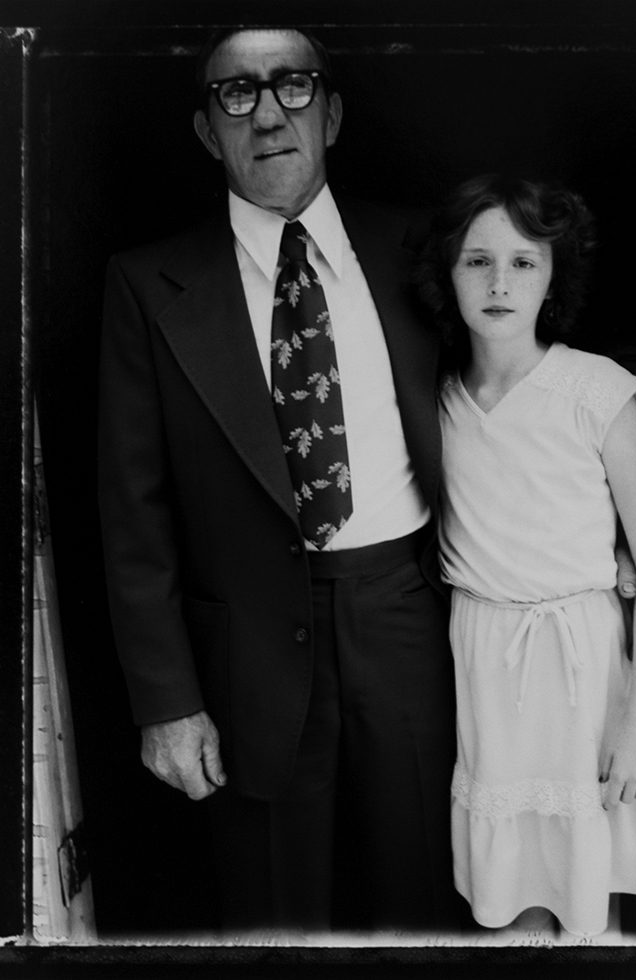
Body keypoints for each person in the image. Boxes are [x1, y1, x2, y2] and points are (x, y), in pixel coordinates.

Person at [98, 26, 460, 933]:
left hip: (408, 619)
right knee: (273, 914)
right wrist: (167, 703)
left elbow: (511, 401)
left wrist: (594, 538)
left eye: (292, 88)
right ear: (205, 130)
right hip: (246, 654)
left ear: (330, 114)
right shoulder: (149, 285)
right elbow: (131, 512)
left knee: (419, 901)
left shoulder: (423, 250)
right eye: (236, 95)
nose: (267, 114)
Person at [417, 174, 636, 938]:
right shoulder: (434, 398)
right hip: (485, 659)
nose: (500, 282)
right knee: (513, 884)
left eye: (524, 262)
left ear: (553, 276)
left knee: (590, 869)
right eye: (477, 261)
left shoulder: (593, 390)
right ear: (450, 273)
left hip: (583, 664)